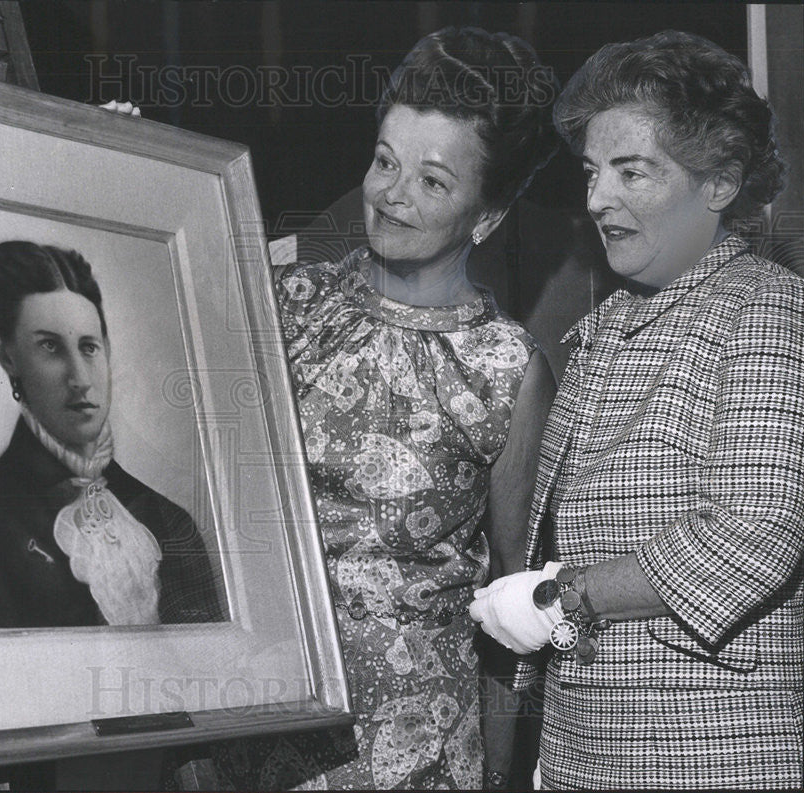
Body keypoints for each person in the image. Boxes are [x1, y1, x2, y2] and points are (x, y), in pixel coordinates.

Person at [193, 27, 560, 790]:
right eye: (385, 161)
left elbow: (510, 607)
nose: (391, 194)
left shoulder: (507, 370)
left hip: (419, 755)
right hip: (255, 732)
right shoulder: (286, 302)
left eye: (432, 181)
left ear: (485, 217)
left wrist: (497, 775)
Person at [469, 30, 803, 790]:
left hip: (707, 751)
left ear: (718, 182)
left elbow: (754, 533)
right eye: (592, 173)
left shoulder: (764, 307)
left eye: (632, 172)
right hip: (592, 744)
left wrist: (562, 597)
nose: (596, 199)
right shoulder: (608, 329)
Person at [0, 241, 225, 629]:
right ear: (6, 353)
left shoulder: (167, 521)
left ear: (107, 350)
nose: (79, 379)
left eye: (89, 347)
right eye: (50, 347)